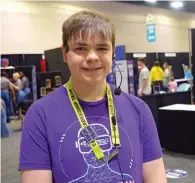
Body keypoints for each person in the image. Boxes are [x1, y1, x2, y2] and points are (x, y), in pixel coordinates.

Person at [19, 11, 167, 183]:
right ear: (65, 53)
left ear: (112, 53)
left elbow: (156, 176)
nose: (92, 57)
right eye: (80, 48)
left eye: (102, 48)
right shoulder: (40, 115)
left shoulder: (139, 110)